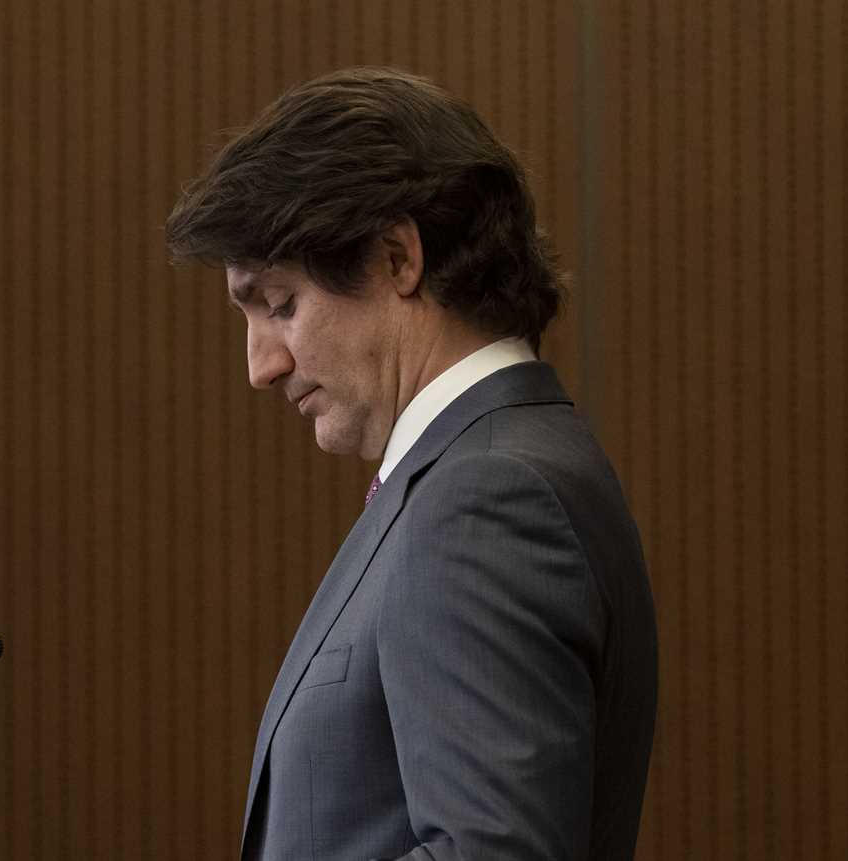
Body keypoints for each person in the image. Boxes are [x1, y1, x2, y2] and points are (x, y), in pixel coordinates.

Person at [166, 66, 657, 861]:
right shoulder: (487, 468)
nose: (260, 364)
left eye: (281, 304)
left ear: (398, 257)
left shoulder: (489, 495)